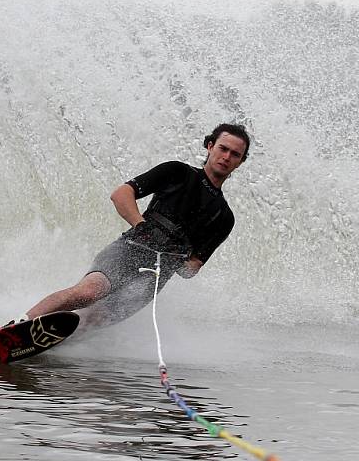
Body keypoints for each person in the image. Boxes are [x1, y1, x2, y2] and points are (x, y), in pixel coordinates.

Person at [15, 123, 250, 327]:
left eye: (235, 154)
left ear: (240, 162)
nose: (227, 157)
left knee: (96, 319)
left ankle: (49, 345)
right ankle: (19, 324)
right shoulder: (177, 172)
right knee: (90, 292)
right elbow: (121, 194)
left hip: (155, 276)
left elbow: (192, 268)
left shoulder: (224, 218)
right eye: (223, 148)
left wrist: (180, 259)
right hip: (128, 250)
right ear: (210, 146)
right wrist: (140, 224)